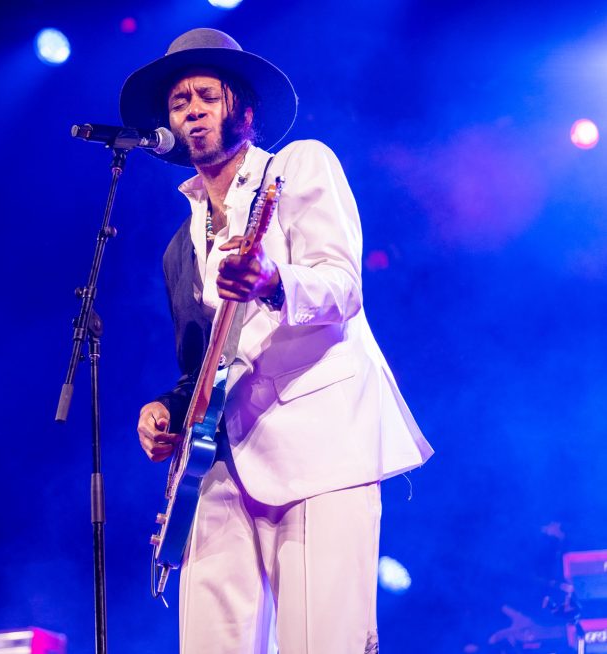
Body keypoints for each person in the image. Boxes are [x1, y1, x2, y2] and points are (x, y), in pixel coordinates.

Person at [123, 28, 434, 653]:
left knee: (323, 640)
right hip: (219, 466)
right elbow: (204, 367)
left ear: (244, 109)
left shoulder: (296, 168)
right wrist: (166, 410)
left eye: (206, 95)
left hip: (320, 445)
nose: (191, 110)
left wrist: (272, 282)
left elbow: (342, 287)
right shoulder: (178, 249)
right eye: (179, 102)